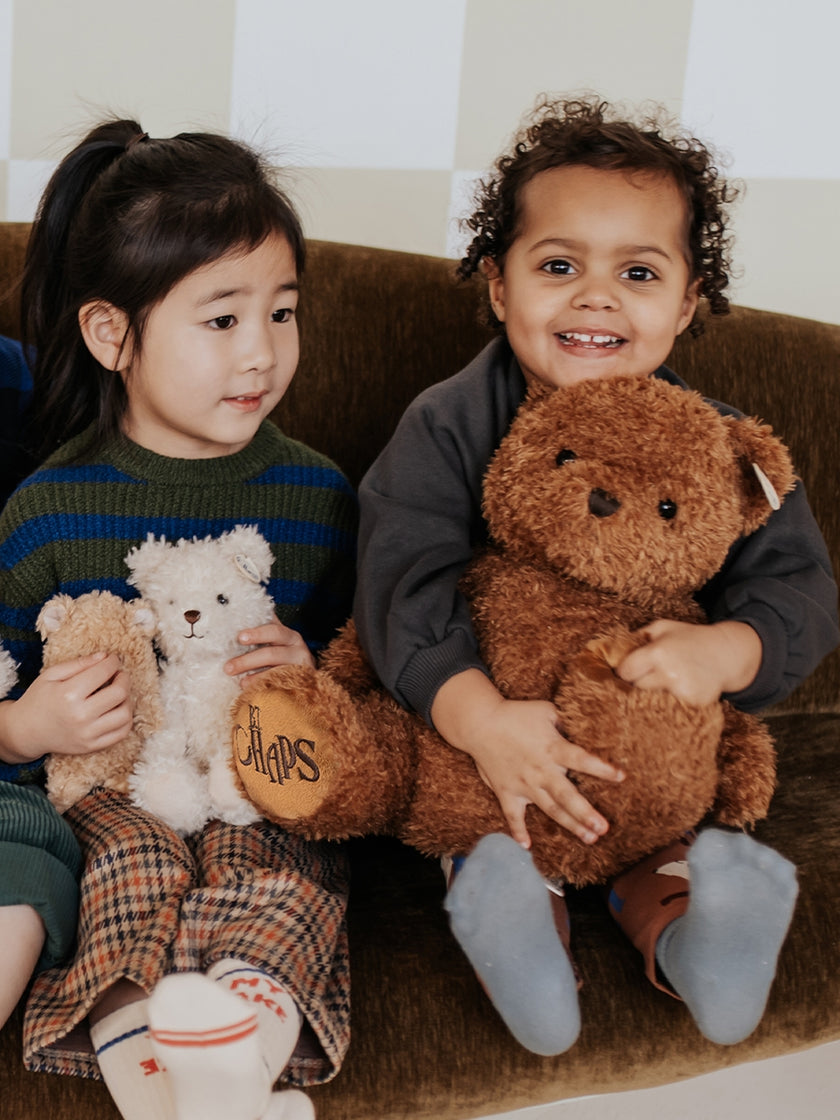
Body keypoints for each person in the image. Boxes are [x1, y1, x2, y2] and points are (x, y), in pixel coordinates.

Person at [353, 96, 839, 1055]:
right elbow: (401, 580)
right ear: (499, 287)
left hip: (645, 742)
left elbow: (801, 586)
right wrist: (479, 718)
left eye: (640, 272)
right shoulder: (449, 423)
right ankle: (520, 931)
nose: (596, 297)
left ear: (689, 301)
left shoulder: (722, 444)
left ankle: (700, 944)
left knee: (670, 836)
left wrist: (727, 650)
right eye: (559, 265)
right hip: (499, 739)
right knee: (491, 827)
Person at [0, 119, 358, 1120]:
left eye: (282, 312)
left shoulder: (319, 494)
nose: (262, 353)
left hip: (258, 777)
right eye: (221, 320)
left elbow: (366, 673)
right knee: (131, 867)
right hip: (117, 797)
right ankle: (185, 1087)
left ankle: (234, 1077)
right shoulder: (46, 510)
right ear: (113, 334)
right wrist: (28, 726)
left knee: (278, 870)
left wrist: (316, 671)